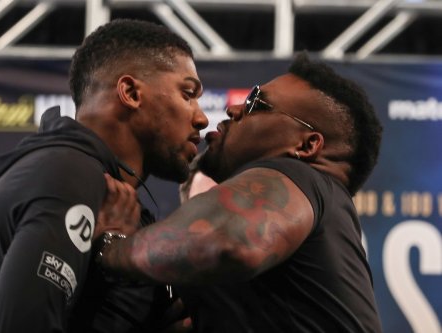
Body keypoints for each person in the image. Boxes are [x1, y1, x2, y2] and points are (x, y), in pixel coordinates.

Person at [95, 52, 384, 332]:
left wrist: (111, 246)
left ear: (307, 146)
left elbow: (226, 243)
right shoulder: (321, 212)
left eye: (256, 103)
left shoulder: (303, 176)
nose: (233, 110)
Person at [0, 18, 208, 332]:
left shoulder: (101, 188)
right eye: (187, 94)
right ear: (130, 92)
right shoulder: (69, 178)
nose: (202, 118)